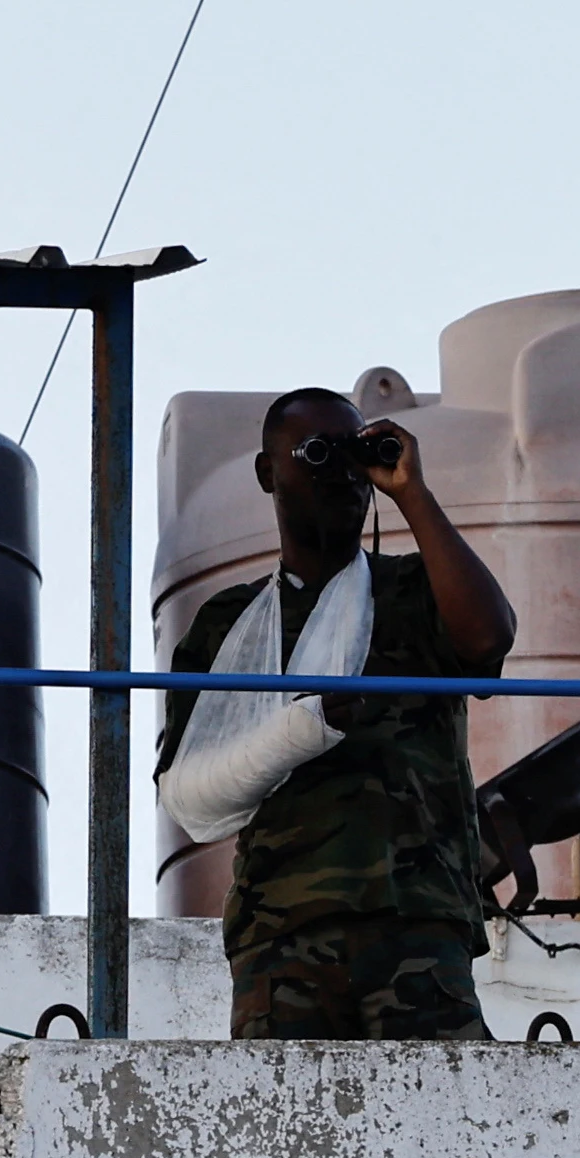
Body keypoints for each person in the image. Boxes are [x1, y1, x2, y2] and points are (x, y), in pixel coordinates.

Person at [153, 389, 520, 1040]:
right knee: (284, 1138)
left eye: (354, 455)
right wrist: (302, 728)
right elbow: (189, 793)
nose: (342, 473)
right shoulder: (224, 627)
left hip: (419, 918)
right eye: (316, 455)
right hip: (283, 930)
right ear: (270, 474)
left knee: (440, 1129)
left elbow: (488, 639)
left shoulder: (412, 591)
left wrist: (412, 494)